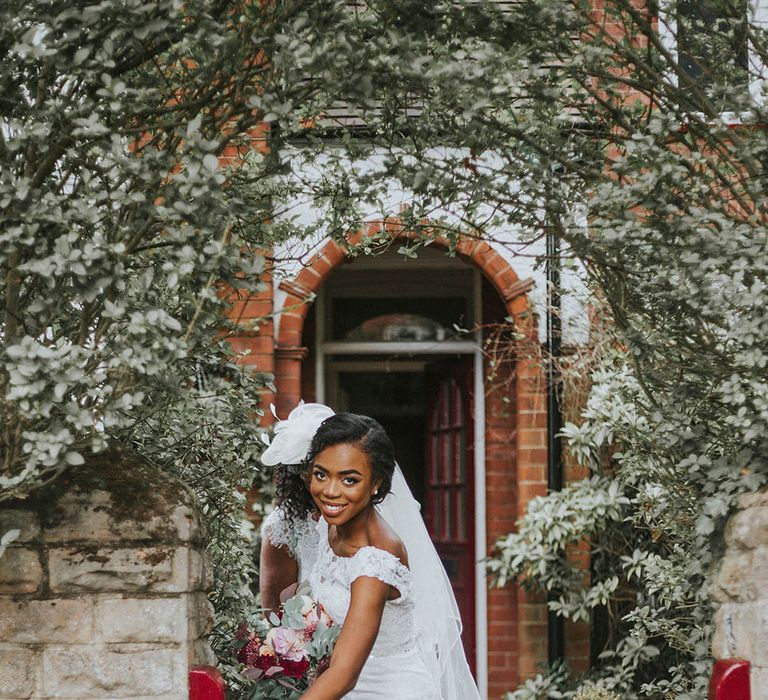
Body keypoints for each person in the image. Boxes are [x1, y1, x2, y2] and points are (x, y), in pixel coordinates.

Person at [275, 411, 480, 700]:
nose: (330, 492)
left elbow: (343, 675)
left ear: (376, 484)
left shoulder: (375, 560)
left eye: (349, 480)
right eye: (321, 475)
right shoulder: (330, 526)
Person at [259, 403, 334, 611]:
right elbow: (275, 611)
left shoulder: (367, 515)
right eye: (317, 472)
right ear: (299, 474)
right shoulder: (286, 524)